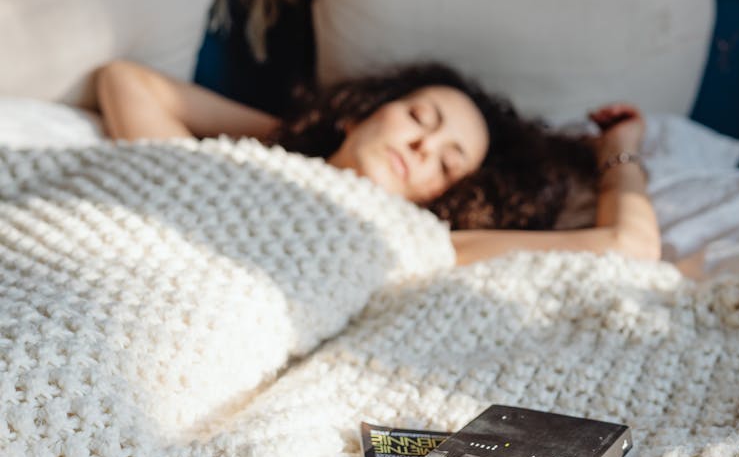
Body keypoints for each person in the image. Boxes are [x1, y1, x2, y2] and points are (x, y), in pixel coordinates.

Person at [93, 58, 660, 267]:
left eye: (446, 164)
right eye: (420, 119)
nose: (422, 149)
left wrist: (619, 152)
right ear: (368, 110)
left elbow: (630, 246)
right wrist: (308, 142)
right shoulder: (239, 169)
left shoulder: (423, 242)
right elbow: (126, 80)